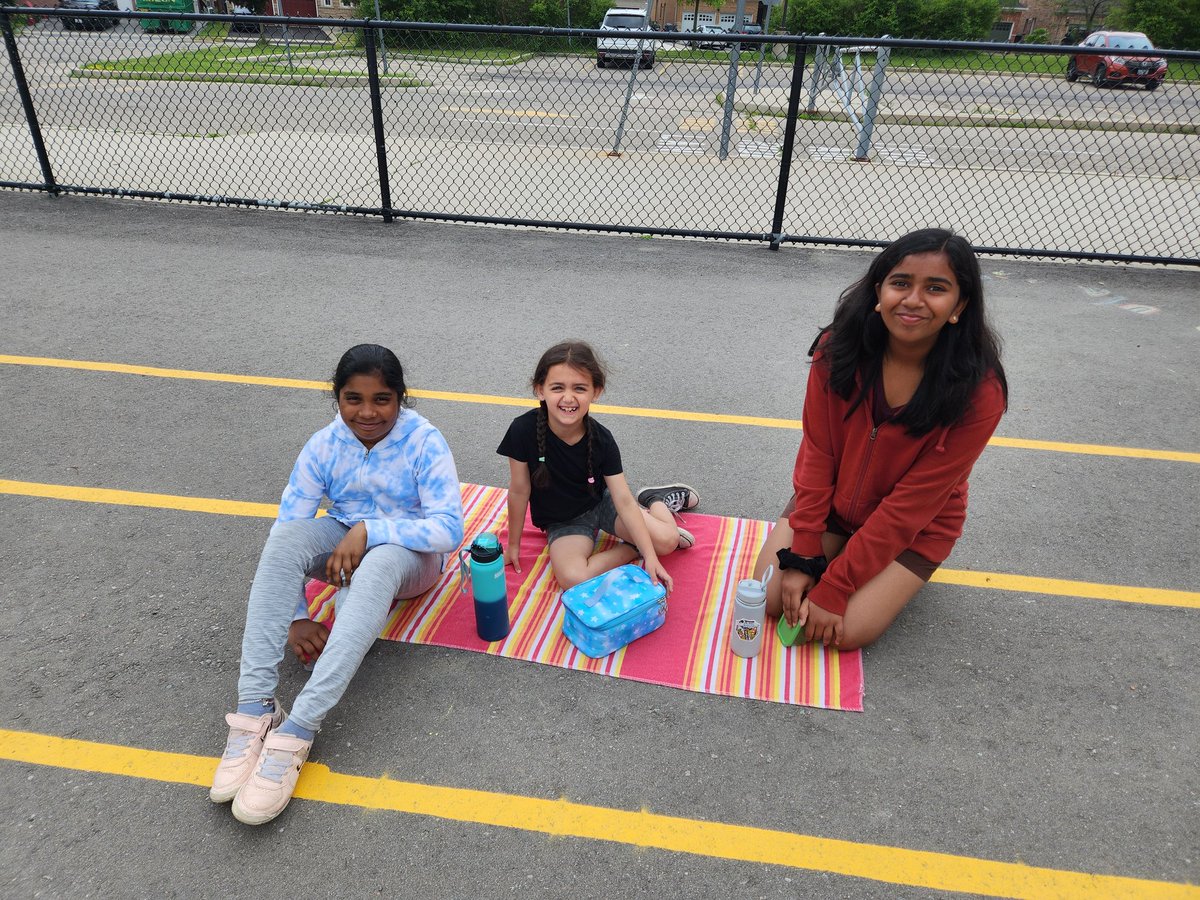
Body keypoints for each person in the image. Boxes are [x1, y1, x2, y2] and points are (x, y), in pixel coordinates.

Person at [210, 344, 464, 825]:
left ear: (401, 398)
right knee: (287, 540)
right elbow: (290, 524)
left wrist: (369, 531)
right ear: (338, 398)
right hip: (342, 539)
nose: (367, 413)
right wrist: (296, 616)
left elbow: (449, 530)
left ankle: (298, 730)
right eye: (353, 399)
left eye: (382, 400)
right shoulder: (324, 444)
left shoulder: (424, 442)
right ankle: (255, 709)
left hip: (410, 555)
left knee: (377, 564)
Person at [754, 228, 1007, 650]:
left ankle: (861, 564)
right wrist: (804, 554)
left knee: (846, 632)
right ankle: (842, 551)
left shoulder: (981, 391)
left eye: (936, 288)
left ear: (959, 305)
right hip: (835, 506)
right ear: (878, 291)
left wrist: (837, 585)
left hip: (916, 527)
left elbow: (912, 507)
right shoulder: (837, 350)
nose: (913, 300)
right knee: (770, 597)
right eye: (901, 283)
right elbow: (817, 454)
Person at [498, 340, 698, 594]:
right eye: (557, 387)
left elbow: (623, 501)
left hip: (602, 504)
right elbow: (519, 491)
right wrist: (513, 545)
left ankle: (656, 500)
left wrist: (651, 556)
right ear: (540, 390)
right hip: (563, 522)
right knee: (573, 578)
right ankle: (631, 548)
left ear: (596, 392)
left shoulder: (602, 439)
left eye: (579, 388)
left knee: (667, 542)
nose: (568, 398)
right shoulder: (522, 430)